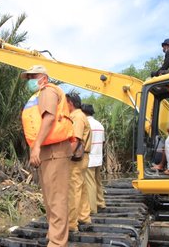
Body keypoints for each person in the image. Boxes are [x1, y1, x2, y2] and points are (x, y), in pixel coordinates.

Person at [21, 65, 74, 246]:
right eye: (28, 77)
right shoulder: (38, 96)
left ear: (43, 77)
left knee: (56, 198)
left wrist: (35, 147)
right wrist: (36, 149)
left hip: (55, 151)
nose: (30, 80)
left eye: (32, 76)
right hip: (47, 151)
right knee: (50, 198)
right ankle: (54, 235)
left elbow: (49, 118)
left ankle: (58, 242)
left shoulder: (48, 92)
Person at [66, 92, 92, 232]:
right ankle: (84, 217)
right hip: (83, 157)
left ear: (70, 103)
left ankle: (71, 223)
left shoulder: (77, 117)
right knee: (81, 188)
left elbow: (75, 139)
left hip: (76, 159)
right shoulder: (81, 116)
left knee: (73, 190)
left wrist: (66, 157)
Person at [81, 104, 106, 214]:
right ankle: (100, 202)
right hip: (98, 157)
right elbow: (103, 141)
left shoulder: (86, 124)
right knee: (97, 181)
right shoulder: (100, 125)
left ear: (83, 112)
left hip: (89, 157)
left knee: (89, 184)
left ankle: (92, 208)